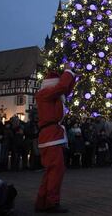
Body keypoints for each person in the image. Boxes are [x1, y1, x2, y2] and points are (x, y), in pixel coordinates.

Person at [34, 63, 76, 213]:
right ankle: (51, 202)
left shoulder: (50, 95)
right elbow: (62, 88)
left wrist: (72, 75)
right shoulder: (46, 93)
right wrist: (67, 71)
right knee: (56, 170)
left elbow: (66, 89)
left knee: (51, 170)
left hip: (51, 135)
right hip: (51, 136)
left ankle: (42, 202)